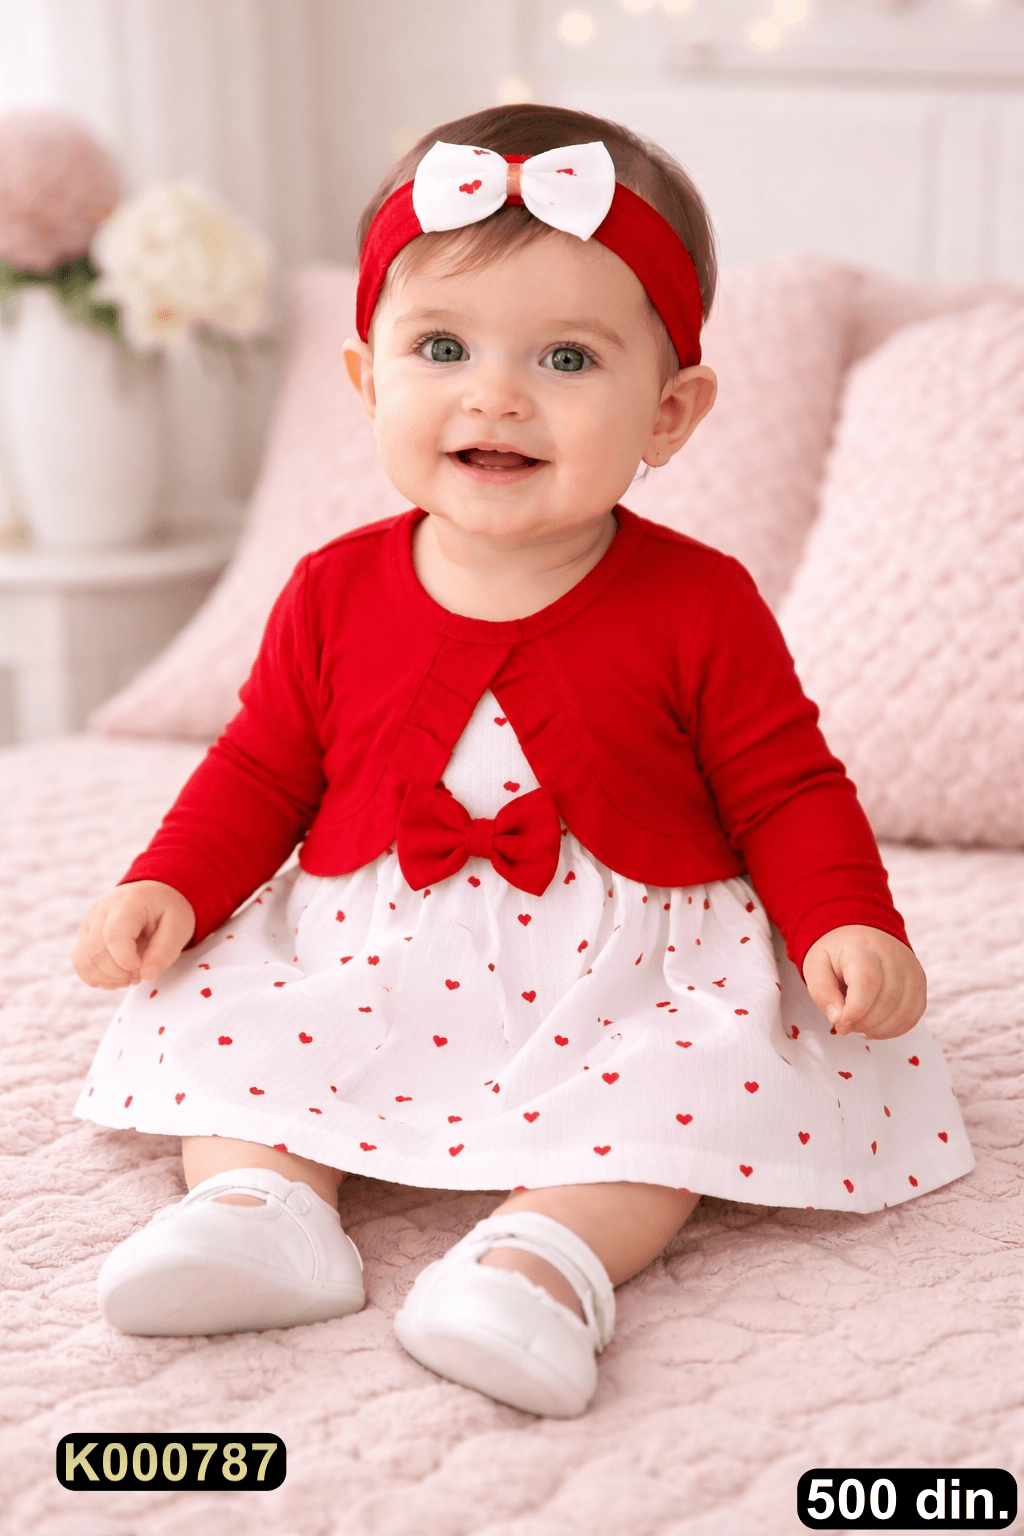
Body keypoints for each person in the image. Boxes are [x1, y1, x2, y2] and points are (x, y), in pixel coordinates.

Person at [71, 103, 974, 1419]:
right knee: (231, 1015)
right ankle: (260, 1212)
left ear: (671, 410)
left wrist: (846, 920)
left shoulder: (702, 602)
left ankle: (540, 1261)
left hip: (626, 961)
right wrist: (171, 883)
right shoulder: (330, 590)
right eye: (442, 347)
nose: (495, 394)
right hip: (378, 936)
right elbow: (261, 768)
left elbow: (786, 788)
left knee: (677, 1088)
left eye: (566, 356)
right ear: (368, 382)